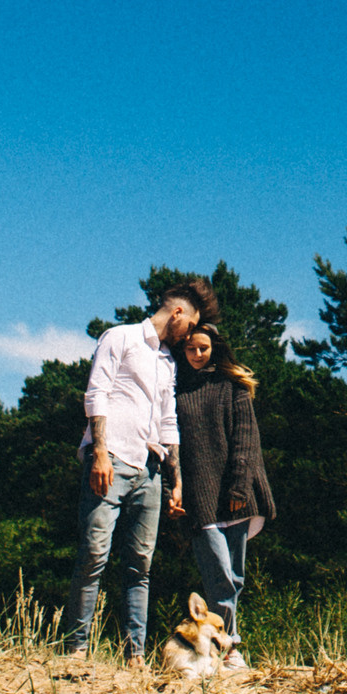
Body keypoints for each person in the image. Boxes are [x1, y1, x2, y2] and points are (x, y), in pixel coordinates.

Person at [62, 283, 205, 666]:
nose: (190, 335)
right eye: (191, 325)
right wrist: (99, 452)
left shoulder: (168, 361)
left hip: (150, 471)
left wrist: (176, 480)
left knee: (140, 565)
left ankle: (135, 656)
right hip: (111, 460)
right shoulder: (120, 337)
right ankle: (76, 650)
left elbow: (167, 420)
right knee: (94, 554)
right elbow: (97, 392)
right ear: (177, 313)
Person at [166, 318, 274, 663]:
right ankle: (230, 649)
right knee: (220, 578)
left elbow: (246, 440)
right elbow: (171, 445)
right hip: (199, 498)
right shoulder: (176, 391)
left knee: (235, 578)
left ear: (215, 349)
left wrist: (240, 488)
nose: (197, 354)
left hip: (236, 496)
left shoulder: (234, 387)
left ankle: (224, 652)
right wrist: (172, 488)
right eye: (191, 348)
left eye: (203, 348)